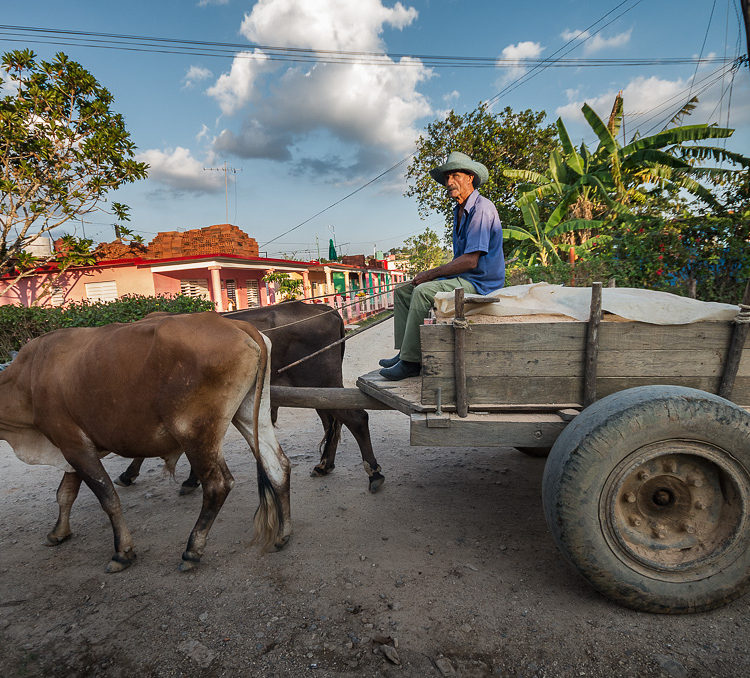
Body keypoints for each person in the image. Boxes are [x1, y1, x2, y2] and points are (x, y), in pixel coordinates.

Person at [379, 151, 505, 380]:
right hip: (467, 277)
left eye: (455, 176)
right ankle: (404, 352)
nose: (448, 183)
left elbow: (470, 260)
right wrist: (429, 275)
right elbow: (460, 261)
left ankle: (410, 363)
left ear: (469, 177)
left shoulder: (482, 209)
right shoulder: (459, 210)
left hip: (481, 282)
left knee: (422, 290)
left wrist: (429, 274)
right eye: (447, 178)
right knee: (404, 290)